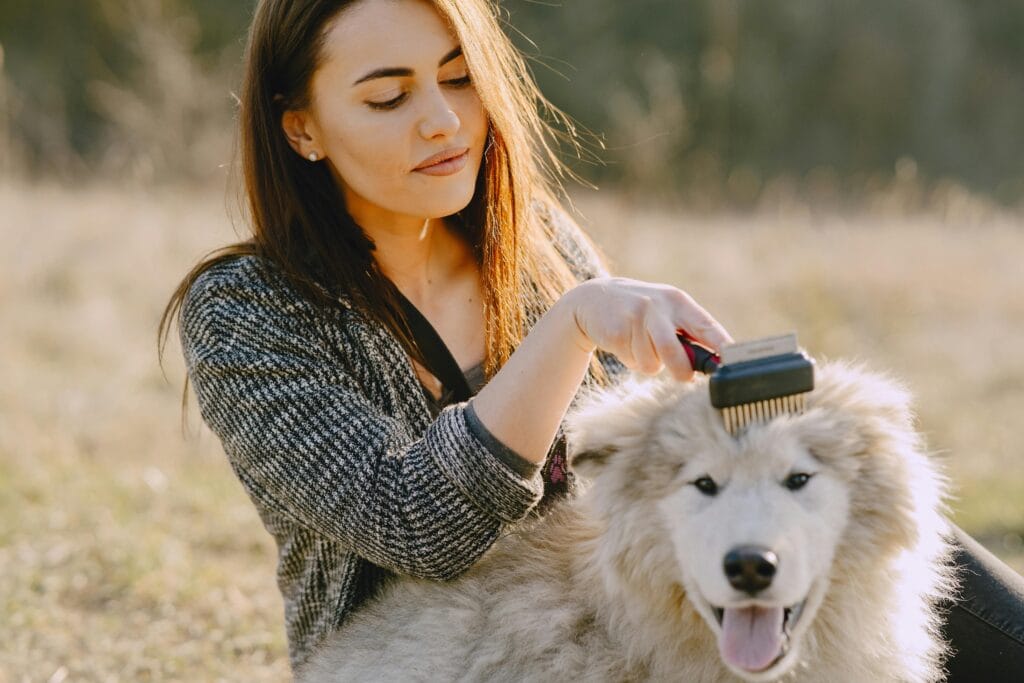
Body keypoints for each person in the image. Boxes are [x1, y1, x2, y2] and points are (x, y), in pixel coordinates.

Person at [159, 0, 1024, 678]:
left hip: (621, 603)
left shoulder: (527, 240)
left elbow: (639, 468)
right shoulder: (248, 310)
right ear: (299, 126)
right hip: (436, 652)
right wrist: (571, 325)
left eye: (459, 79)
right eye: (389, 96)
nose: (443, 122)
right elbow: (414, 523)